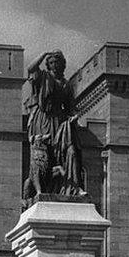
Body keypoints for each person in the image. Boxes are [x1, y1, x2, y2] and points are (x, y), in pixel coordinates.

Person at [22, 50, 84, 196]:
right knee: (44, 156)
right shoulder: (43, 77)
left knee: (67, 153)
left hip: (59, 122)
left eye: (57, 62)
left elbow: (70, 108)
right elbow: (31, 68)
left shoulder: (66, 85)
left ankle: (72, 186)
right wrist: (43, 54)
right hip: (43, 119)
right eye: (51, 63)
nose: (54, 65)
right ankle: (42, 189)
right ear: (48, 65)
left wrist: (74, 116)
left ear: (62, 65)